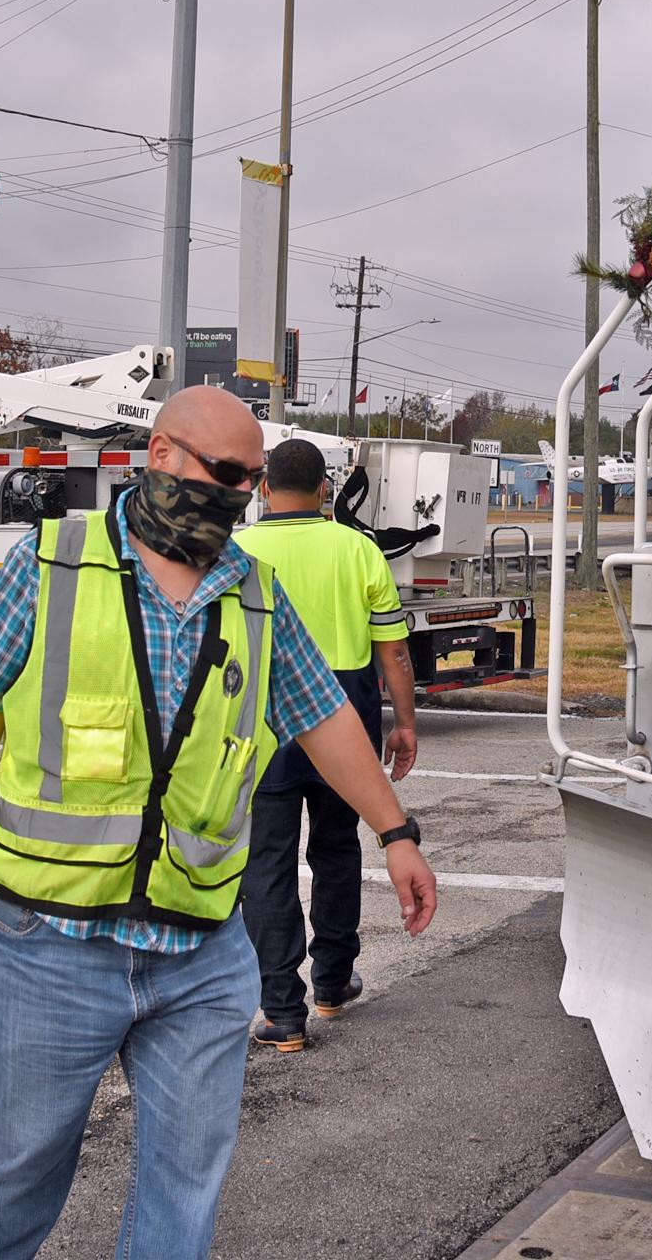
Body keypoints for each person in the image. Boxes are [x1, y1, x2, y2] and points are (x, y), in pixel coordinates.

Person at [0, 385, 439, 1260]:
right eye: (225, 474)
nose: (238, 495)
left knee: (187, 1175)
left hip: (201, 951)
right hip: (50, 943)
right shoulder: (51, 560)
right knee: (15, 1167)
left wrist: (395, 835)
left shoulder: (257, 592)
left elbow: (324, 718)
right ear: (160, 457)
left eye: (250, 480)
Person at [232, 436, 419, 1051]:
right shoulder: (357, 548)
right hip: (345, 712)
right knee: (338, 849)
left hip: (261, 718)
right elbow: (392, 648)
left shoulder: (237, 550)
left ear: (263, 488)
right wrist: (405, 722)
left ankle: (281, 1010)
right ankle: (333, 984)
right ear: (324, 491)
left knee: (267, 862)